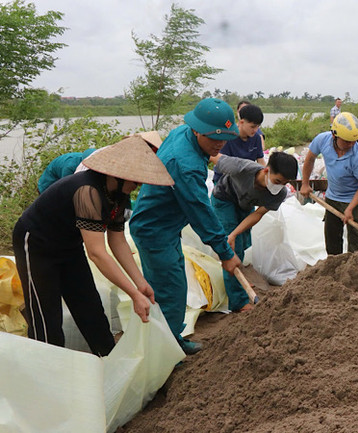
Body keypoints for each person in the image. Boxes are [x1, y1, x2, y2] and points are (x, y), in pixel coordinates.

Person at [13, 135, 173, 355]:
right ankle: (48, 374)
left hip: (69, 245)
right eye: (136, 180)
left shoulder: (120, 195)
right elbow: (97, 253)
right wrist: (133, 295)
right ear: (119, 173)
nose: (139, 185)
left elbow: (117, 241)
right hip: (37, 244)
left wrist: (140, 283)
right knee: (46, 320)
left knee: (90, 309)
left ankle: (109, 362)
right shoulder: (87, 190)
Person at [130, 98, 242, 355]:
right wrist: (225, 253)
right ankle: (166, 355)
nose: (220, 145)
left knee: (173, 288)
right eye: (214, 138)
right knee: (170, 293)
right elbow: (200, 210)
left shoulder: (183, 132)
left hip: (166, 226)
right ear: (197, 130)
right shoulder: (185, 164)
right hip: (154, 230)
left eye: (224, 139)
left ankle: (170, 341)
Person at [210, 151, 298, 312]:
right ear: (266, 170)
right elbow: (212, 155)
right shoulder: (242, 168)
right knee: (232, 251)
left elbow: (257, 214)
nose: (280, 186)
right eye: (277, 181)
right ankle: (239, 301)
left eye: (284, 183)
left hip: (245, 206)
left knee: (242, 244)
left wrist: (234, 234)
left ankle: (235, 276)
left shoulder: (280, 194)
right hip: (224, 199)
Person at [301, 112, 358, 255]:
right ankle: (334, 267)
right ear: (334, 135)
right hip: (333, 197)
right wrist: (305, 184)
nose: (351, 144)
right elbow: (309, 159)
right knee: (332, 238)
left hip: (355, 199)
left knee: (355, 240)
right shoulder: (322, 140)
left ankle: (355, 269)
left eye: (354, 141)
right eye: (346, 141)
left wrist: (350, 208)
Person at [212, 103, 266, 184]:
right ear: (241, 122)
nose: (255, 130)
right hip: (225, 181)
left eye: (258, 126)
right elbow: (223, 164)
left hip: (245, 179)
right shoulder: (227, 138)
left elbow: (261, 161)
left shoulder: (256, 138)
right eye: (252, 127)